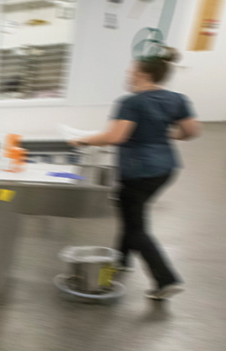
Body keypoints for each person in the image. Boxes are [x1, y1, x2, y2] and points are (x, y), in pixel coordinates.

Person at [72, 47, 200, 300]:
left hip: (137, 171)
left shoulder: (131, 102)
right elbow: (192, 131)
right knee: (132, 214)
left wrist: (82, 140)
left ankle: (166, 279)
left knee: (135, 225)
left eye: (131, 71)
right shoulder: (177, 99)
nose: (128, 75)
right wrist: (164, 135)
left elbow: (116, 137)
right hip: (165, 168)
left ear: (142, 74)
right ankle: (121, 261)